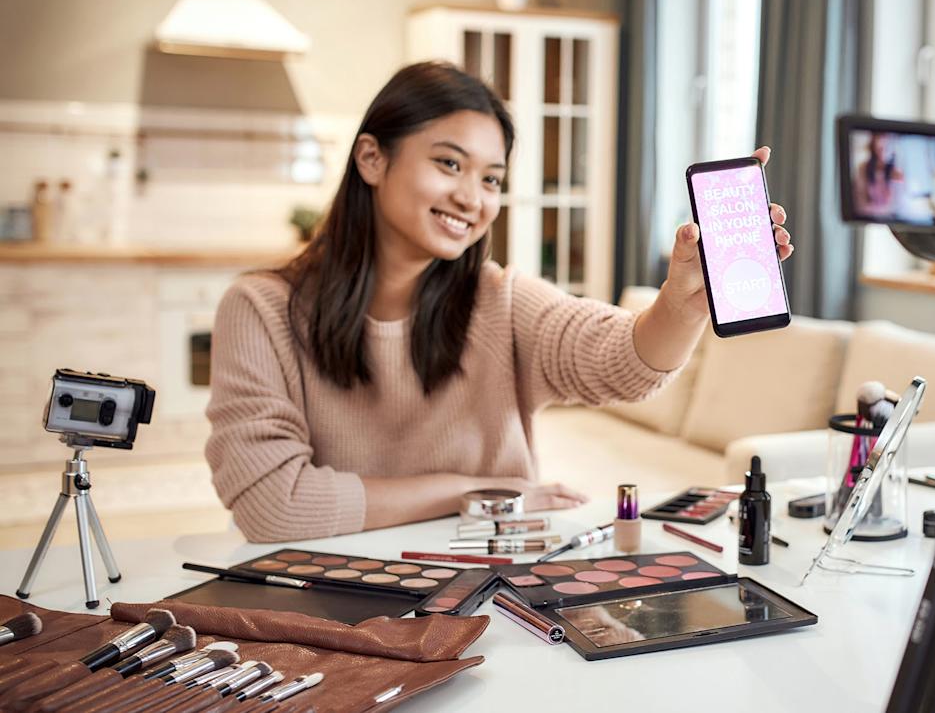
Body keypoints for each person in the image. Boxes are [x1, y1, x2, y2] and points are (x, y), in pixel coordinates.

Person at [205, 62, 794, 542]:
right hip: (335, 590)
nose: (471, 197)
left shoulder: (499, 300)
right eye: (448, 163)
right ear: (371, 158)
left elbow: (620, 360)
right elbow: (271, 505)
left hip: (489, 579)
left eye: (491, 179)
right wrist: (477, 492)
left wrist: (682, 305)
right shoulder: (261, 309)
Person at [853, 131, 906, 218]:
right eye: (880, 148)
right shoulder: (863, 168)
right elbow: (860, 203)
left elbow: (898, 206)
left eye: (887, 147)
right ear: (873, 145)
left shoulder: (897, 173)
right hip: (868, 216)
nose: (883, 150)